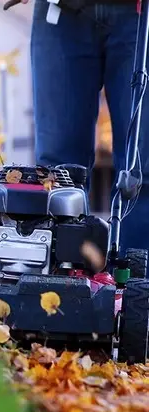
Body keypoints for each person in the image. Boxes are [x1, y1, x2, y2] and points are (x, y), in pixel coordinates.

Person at [20, 0, 149, 252]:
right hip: (60, 13)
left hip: (139, 13)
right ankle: (60, 277)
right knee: (58, 173)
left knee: (142, 168)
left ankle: (138, 281)